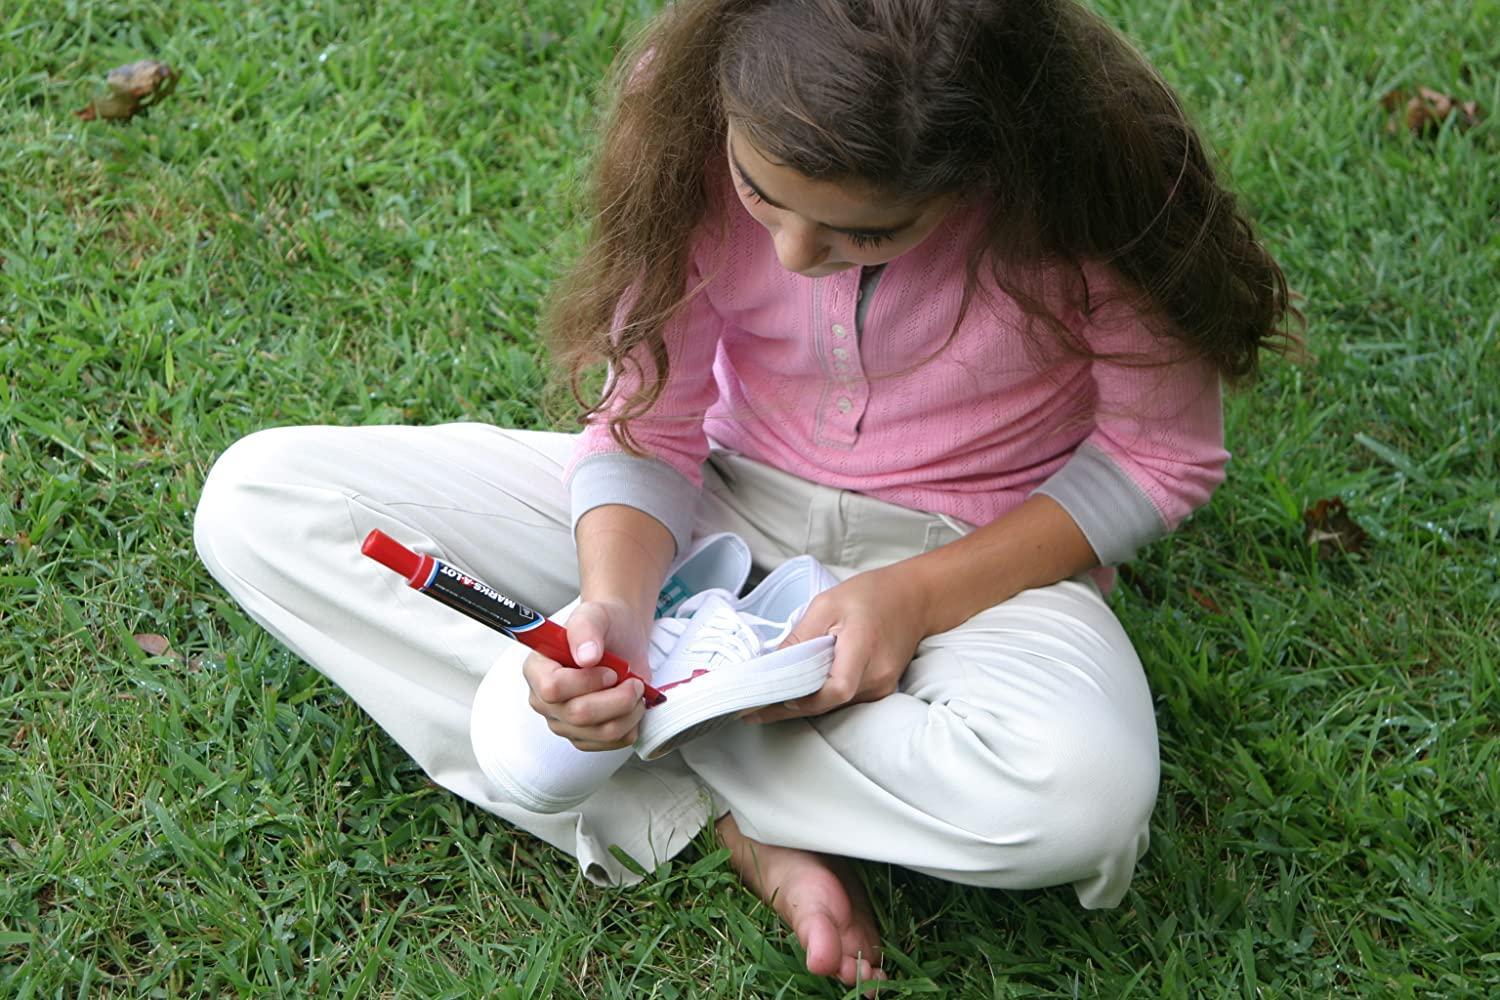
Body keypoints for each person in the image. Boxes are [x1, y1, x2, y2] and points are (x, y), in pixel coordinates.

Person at [194, 0, 1296, 989]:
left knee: (1078, 802)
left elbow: (1162, 458)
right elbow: (652, 414)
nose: (795, 250)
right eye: (761, 193)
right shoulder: (685, 93)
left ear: (986, 162)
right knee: (265, 501)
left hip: (971, 558)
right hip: (710, 502)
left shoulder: (1090, 172)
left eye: (869, 232)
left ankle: (659, 745)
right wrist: (615, 605)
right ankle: (736, 804)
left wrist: (913, 596)